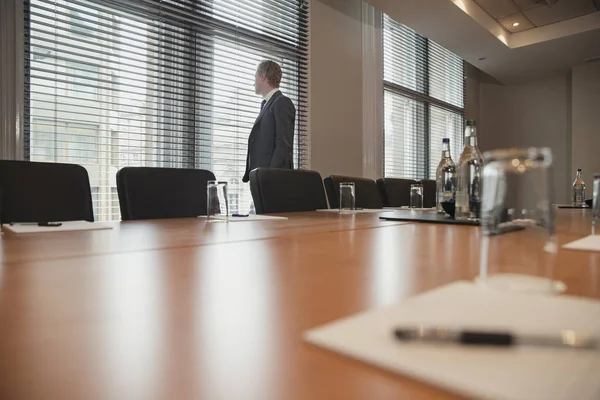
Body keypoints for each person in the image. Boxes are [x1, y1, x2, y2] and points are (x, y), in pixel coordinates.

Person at [242, 60, 296, 183]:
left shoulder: (282, 102)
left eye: (255, 77)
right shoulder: (267, 105)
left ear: (262, 76)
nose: (253, 82)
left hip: (272, 181)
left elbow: (283, 145)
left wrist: (270, 177)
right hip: (260, 178)